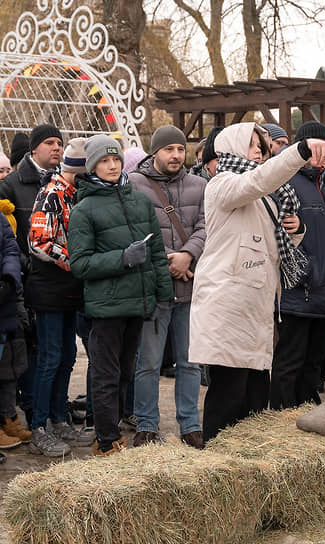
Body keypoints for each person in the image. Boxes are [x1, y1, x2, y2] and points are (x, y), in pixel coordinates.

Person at [189, 123, 325, 442]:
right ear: (234, 148)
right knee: (228, 398)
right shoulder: (223, 185)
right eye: (252, 144)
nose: (259, 150)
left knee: (254, 402)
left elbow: (268, 250)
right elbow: (259, 178)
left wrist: (294, 233)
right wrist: (300, 151)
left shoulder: (261, 199)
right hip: (228, 310)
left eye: (260, 145)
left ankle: (246, 468)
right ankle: (216, 460)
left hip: (255, 311)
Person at [68, 135, 173, 456]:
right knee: (106, 375)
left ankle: (112, 433)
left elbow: (156, 253)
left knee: (125, 373)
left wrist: (162, 296)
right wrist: (122, 258)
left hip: (138, 304)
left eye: (115, 159)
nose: (112, 165)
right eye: (104, 161)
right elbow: (80, 264)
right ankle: (106, 439)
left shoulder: (139, 201)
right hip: (107, 307)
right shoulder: (84, 209)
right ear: (93, 166)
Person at [129, 126, 207, 448]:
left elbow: (206, 225)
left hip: (191, 289)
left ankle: (189, 425)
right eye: (168, 149)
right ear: (155, 152)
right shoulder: (134, 184)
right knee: (148, 362)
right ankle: (146, 425)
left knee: (190, 363)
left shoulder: (199, 185)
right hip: (155, 288)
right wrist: (168, 263)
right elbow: (132, 232)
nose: (176, 155)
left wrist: (188, 255)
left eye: (180, 149)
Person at [270, 121, 325, 409]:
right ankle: (280, 419)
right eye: (313, 146)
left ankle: (308, 416)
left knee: (316, 365)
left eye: (324, 147)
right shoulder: (286, 181)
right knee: (291, 362)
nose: (319, 154)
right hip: (299, 291)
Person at [27, 138, 93, 456]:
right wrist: (74, 261)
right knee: (51, 359)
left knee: (67, 357)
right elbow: (38, 242)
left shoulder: (75, 194)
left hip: (69, 289)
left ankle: (57, 418)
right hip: (49, 289)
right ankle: (39, 427)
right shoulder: (51, 193)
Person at [0, 124, 64, 429]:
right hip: (24, 282)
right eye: (49, 143)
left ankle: (54, 412)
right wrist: (30, 264)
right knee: (29, 354)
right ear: (34, 149)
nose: (56, 148)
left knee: (59, 355)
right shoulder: (11, 185)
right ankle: (27, 413)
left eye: (59, 143)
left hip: (61, 282)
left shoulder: (64, 182)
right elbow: (9, 238)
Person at [0, 212, 27, 450]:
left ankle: (6, 419)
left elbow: (10, 248)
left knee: (7, 368)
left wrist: (9, 279)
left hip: (4, 301)